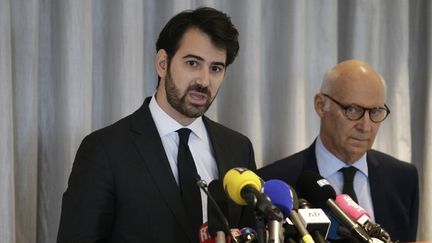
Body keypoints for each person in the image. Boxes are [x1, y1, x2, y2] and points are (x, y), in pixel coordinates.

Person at [57, 7, 256, 243]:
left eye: (216, 68)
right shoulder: (104, 150)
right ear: (162, 63)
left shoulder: (238, 148)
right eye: (193, 63)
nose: (204, 81)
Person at [258, 59, 419, 242]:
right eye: (353, 109)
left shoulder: (403, 178)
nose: (365, 126)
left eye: (375, 112)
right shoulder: (275, 183)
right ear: (320, 105)